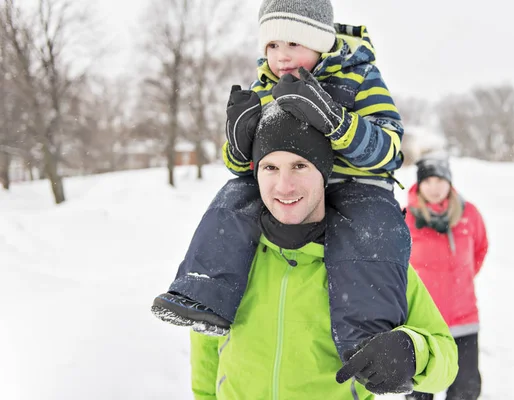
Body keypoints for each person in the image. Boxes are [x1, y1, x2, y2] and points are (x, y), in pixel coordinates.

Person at [152, 0, 412, 358]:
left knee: (371, 233)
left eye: (293, 43)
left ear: (321, 41)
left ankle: (368, 339)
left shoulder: (358, 77)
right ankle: (205, 292)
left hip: (355, 184)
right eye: (273, 46)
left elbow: (390, 149)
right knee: (234, 197)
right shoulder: (264, 87)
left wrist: (337, 122)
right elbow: (243, 167)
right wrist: (238, 145)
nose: (282, 57)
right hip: (287, 186)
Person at [189, 103, 458, 400]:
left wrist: (413, 351)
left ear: (324, 171)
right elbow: (206, 350)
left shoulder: (370, 257)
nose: (284, 185)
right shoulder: (233, 252)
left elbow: (446, 358)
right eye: (271, 167)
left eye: (300, 166)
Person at [403, 153, 489, 400]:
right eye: (428, 181)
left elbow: (481, 247)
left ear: (449, 182)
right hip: (422, 322)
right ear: (420, 184)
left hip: (464, 317)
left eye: (439, 180)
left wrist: (461, 279)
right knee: (420, 390)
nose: (434, 188)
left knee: (466, 387)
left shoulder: (469, 213)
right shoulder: (406, 217)